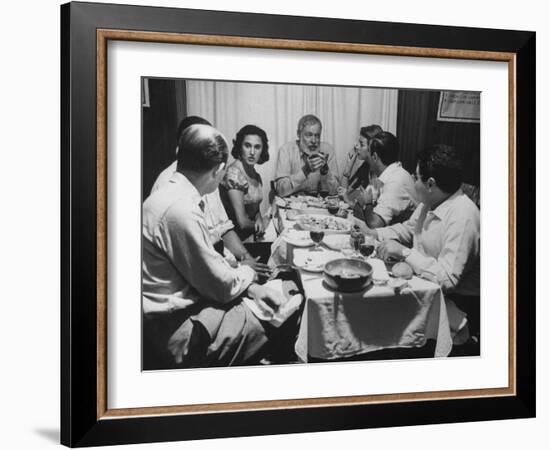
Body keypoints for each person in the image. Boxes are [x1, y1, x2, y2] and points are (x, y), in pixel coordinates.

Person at [142, 124, 289, 369]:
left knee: (264, 294)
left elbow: (209, 262)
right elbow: (219, 285)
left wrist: (250, 288)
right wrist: (249, 274)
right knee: (284, 308)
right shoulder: (180, 210)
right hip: (177, 331)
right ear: (219, 170)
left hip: (181, 306)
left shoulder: (172, 191)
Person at [368, 144, 480, 337]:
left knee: (380, 321)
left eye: (415, 176)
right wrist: (373, 234)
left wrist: (404, 253)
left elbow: (447, 279)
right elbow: (407, 230)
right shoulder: (430, 202)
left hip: (457, 305)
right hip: (425, 286)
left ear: (430, 183)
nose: (411, 179)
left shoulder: (464, 215)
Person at [151, 116, 270, 278]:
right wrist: (238, 266)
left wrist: (246, 257)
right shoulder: (166, 186)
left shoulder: (206, 175)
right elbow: (192, 261)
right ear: (182, 147)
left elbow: (223, 227)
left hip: (220, 258)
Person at [347, 131, 417, 228]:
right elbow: (357, 209)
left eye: (369, 153)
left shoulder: (396, 181)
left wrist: (367, 204)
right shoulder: (385, 175)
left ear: (374, 157)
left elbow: (374, 223)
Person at [219, 125, 270, 241]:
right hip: (235, 239)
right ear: (240, 147)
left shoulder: (255, 174)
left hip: (251, 234)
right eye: (247, 146)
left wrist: (260, 220)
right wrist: (263, 225)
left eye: (257, 147)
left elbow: (255, 208)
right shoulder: (234, 174)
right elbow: (241, 222)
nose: (252, 152)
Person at [274, 114, 339, 197]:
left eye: (317, 135)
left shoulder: (327, 150)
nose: (314, 141)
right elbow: (280, 190)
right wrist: (305, 170)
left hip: (319, 205)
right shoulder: (286, 150)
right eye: (309, 135)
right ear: (298, 134)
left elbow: (335, 191)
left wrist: (326, 171)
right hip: (293, 206)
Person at [340, 124, 383, 192]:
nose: (356, 146)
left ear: (372, 147)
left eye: (361, 144)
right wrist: (348, 166)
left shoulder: (382, 171)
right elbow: (345, 192)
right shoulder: (366, 166)